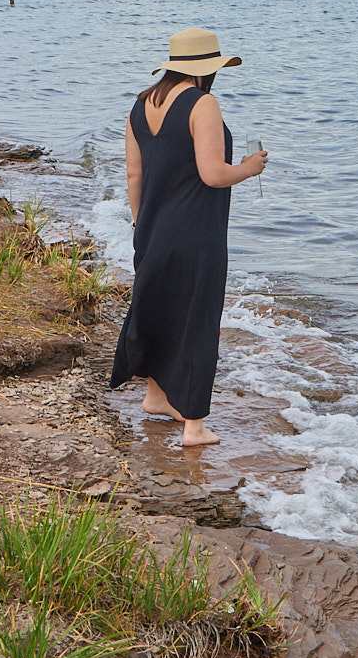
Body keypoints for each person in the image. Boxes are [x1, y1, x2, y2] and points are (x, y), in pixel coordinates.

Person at [110, 26, 267, 448]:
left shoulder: (140, 106)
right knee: (197, 321)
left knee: (163, 311)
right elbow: (213, 175)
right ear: (208, 70)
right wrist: (250, 166)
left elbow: (134, 176)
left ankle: (155, 397)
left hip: (153, 229)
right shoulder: (203, 103)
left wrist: (143, 230)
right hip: (197, 231)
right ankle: (194, 426)